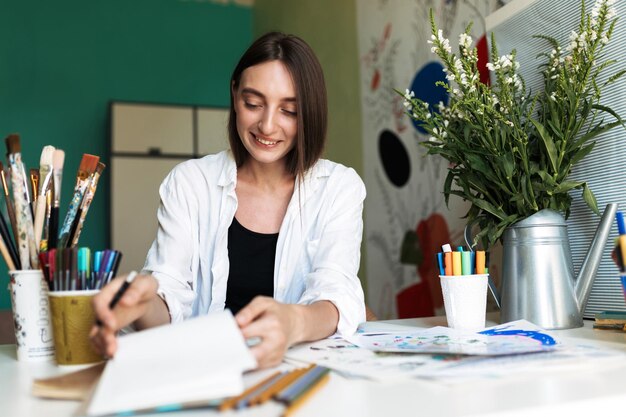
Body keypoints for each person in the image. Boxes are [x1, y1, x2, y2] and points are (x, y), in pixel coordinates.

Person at [90, 32, 366, 368]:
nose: (267, 125)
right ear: (235, 94)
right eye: (253, 104)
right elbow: (169, 291)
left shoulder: (338, 187)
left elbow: (336, 293)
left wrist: (293, 322)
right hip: (202, 373)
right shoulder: (191, 183)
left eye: (289, 110)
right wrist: (140, 306)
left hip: (298, 376)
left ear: (310, 112)